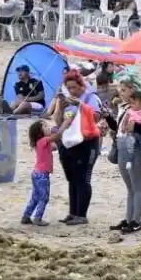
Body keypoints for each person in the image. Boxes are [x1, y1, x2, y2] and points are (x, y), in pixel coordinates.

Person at [56, 72, 99, 226]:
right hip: (71, 143)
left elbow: (96, 117)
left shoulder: (90, 98)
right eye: (69, 88)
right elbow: (59, 121)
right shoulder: (67, 100)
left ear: (81, 85)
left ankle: (82, 215)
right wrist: (60, 106)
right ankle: (73, 213)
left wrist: (80, 105)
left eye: (74, 87)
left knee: (83, 179)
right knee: (72, 179)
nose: (72, 91)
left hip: (88, 143)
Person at [112, 90, 141, 234]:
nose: (131, 104)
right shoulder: (126, 110)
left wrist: (135, 126)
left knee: (137, 187)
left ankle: (136, 221)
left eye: (133, 101)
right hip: (123, 147)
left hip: (136, 150)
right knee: (130, 188)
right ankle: (129, 219)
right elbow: (119, 128)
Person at [21, 120, 56, 226]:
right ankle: (38, 218)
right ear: (40, 132)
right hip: (42, 175)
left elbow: (54, 146)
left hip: (37, 174)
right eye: (45, 126)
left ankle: (26, 216)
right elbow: (57, 136)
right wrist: (64, 125)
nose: (48, 127)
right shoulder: (44, 140)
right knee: (44, 197)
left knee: (35, 197)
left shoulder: (41, 143)